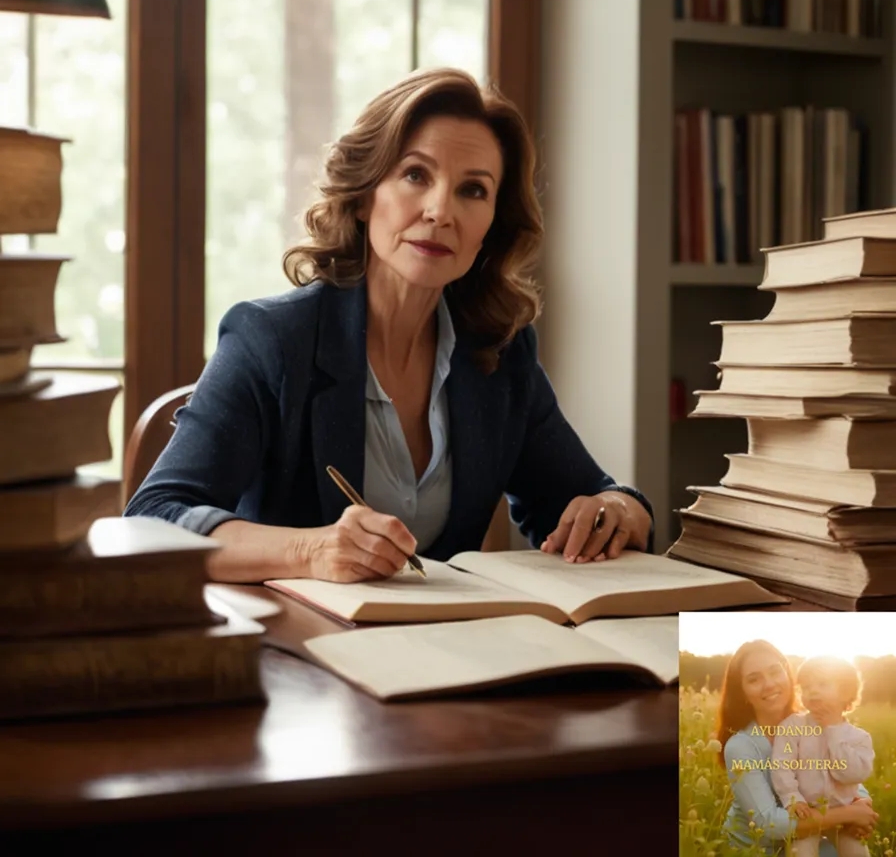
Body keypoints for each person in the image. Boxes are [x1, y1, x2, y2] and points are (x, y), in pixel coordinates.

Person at [124, 67, 654, 583]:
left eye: (473, 190)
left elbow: (586, 497)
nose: (440, 210)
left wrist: (618, 509)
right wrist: (310, 549)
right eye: (415, 175)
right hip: (297, 652)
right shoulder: (271, 339)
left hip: (451, 652)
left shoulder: (499, 353)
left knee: (706, 668)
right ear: (362, 196)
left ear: (492, 226)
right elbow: (152, 520)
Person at [716, 640, 878, 855]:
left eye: (775, 672)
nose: (769, 684)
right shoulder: (741, 746)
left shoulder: (815, 722)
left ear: (788, 675)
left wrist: (861, 802)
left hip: (810, 832)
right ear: (743, 692)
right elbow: (768, 822)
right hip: (758, 847)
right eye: (754, 679)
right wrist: (849, 814)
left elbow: (837, 772)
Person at [770, 655, 874, 857]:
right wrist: (792, 799)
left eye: (822, 684)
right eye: (806, 687)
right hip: (807, 813)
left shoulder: (859, 738)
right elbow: (782, 766)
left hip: (845, 817)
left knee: (858, 853)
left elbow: (852, 775)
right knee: (801, 853)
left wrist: (833, 730)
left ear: (846, 692)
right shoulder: (793, 727)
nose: (813, 691)